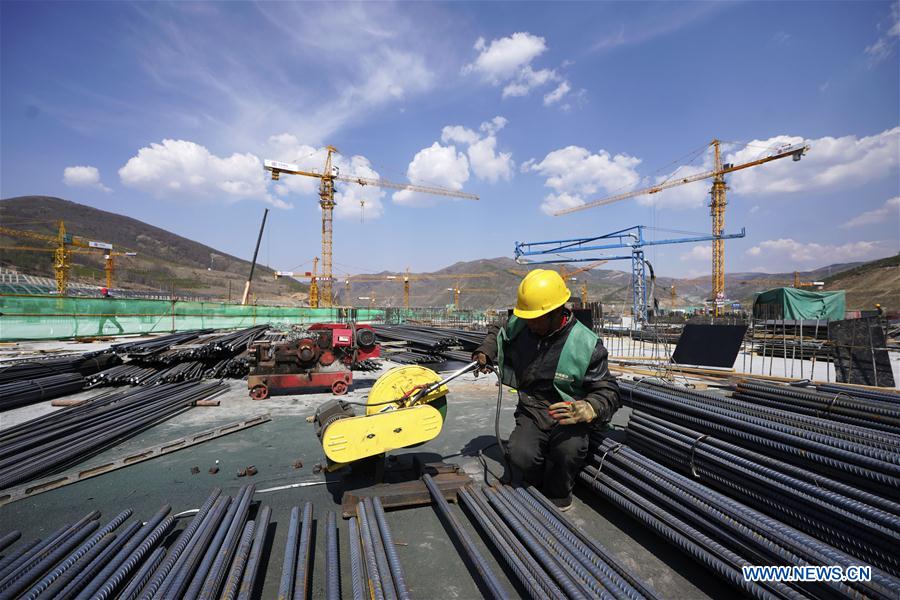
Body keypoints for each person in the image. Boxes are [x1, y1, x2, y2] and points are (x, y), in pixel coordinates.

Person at [472, 269, 620, 511]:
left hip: (568, 413)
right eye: (527, 318)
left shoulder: (586, 344)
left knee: (568, 452)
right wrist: (486, 350)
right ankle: (536, 480)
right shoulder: (524, 325)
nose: (529, 323)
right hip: (533, 407)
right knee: (519, 454)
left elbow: (609, 389)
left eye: (536, 319)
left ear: (556, 312)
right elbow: (498, 331)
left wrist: (590, 407)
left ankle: (558, 495)